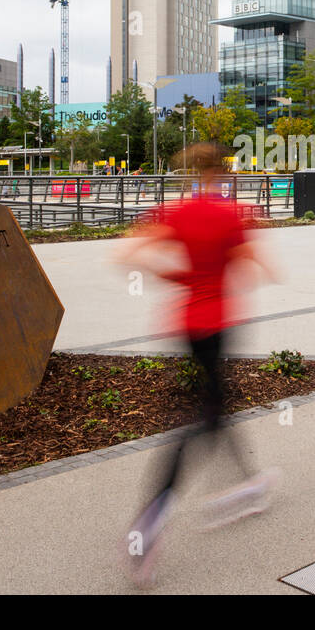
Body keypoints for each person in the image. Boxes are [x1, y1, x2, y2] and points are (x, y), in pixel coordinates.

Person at [113, 142, 280, 586]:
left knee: (219, 403)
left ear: (192, 174)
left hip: (186, 323)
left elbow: (125, 256)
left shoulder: (176, 213)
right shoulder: (232, 215)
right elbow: (262, 269)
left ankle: (250, 483)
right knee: (203, 419)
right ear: (222, 173)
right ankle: (153, 514)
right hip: (219, 323)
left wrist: (178, 275)